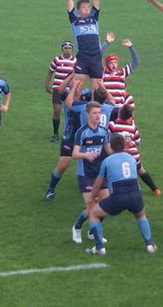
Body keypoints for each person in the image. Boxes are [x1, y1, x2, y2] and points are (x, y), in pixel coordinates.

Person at [84, 134, 157, 255]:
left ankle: (99, 247)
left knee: (93, 213)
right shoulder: (131, 158)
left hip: (118, 196)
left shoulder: (107, 161)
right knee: (140, 215)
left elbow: (98, 184)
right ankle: (150, 244)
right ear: (124, 145)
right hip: (135, 194)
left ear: (110, 147)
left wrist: (91, 198)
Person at [70, 101, 111, 245]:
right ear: (87, 114)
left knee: (106, 205)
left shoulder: (103, 131)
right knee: (91, 207)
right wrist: (85, 155)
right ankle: (77, 227)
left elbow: (109, 150)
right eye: (94, 113)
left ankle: (92, 231)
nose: (98, 116)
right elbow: (74, 154)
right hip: (85, 174)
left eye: (99, 113)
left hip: (99, 173)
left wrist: (123, 149)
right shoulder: (81, 132)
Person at [65, 0, 104, 93]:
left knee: (97, 90)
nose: (87, 10)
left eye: (88, 8)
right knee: (77, 88)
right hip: (83, 57)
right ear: (79, 10)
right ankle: (75, 111)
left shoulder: (93, 18)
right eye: (84, 8)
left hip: (96, 57)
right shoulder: (75, 19)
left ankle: (96, 112)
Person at [109, 105, 161, 196]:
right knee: (141, 170)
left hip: (121, 154)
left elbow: (109, 136)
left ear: (119, 114)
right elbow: (138, 141)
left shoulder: (113, 125)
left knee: (112, 171)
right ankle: (155, 189)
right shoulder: (132, 127)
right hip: (134, 155)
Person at [100, 32, 139, 116]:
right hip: (107, 108)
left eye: (115, 62)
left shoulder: (122, 73)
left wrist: (131, 47)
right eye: (111, 62)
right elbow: (98, 56)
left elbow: (135, 61)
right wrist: (107, 42)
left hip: (119, 109)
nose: (114, 64)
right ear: (107, 64)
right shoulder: (103, 73)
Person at [45, 40, 76, 142]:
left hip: (69, 90)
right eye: (65, 48)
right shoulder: (57, 60)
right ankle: (55, 134)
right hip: (57, 89)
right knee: (57, 111)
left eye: (69, 48)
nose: (67, 50)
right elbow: (50, 72)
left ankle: (69, 133)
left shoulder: (75, 61)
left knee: (70, 112)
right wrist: (47, 85)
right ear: (62, 49)